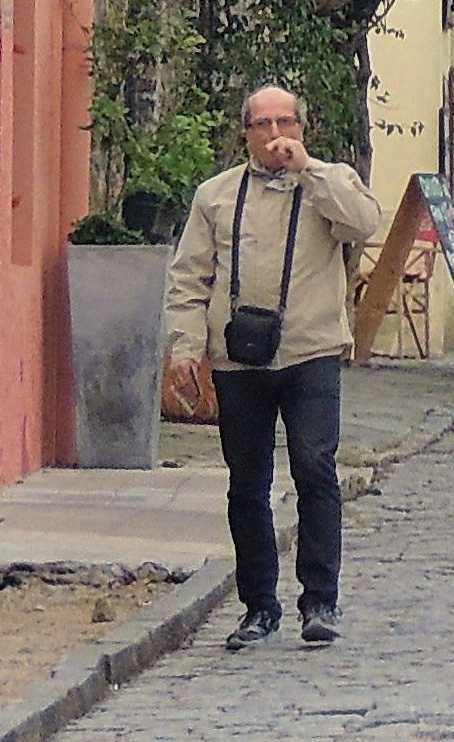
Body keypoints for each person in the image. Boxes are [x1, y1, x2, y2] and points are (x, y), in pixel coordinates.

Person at [160, 84, 386, 652]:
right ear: (246, 134)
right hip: (238, 358)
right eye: (263, 125)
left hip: (311, 352)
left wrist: (309, 169)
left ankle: (321, 600)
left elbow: (364, 222)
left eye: (286, 122)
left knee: (315, 468)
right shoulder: (215, 196)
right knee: (247, 484)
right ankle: (259, 604)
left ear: (302, 128)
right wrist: (186, 349)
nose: (275, 135)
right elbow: (189, 278)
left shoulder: (327, 186)